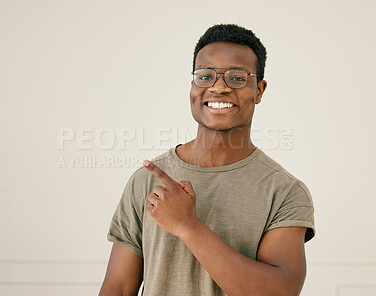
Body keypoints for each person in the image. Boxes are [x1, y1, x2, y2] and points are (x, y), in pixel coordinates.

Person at [99, 24, 315, 296]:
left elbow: (280, 291)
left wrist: (188, 226)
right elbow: (117, 288)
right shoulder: (146, 180)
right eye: (205, 76)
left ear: (259, 90)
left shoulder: (284, 191)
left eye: (237, 78)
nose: (219, 88)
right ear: (192, 86)